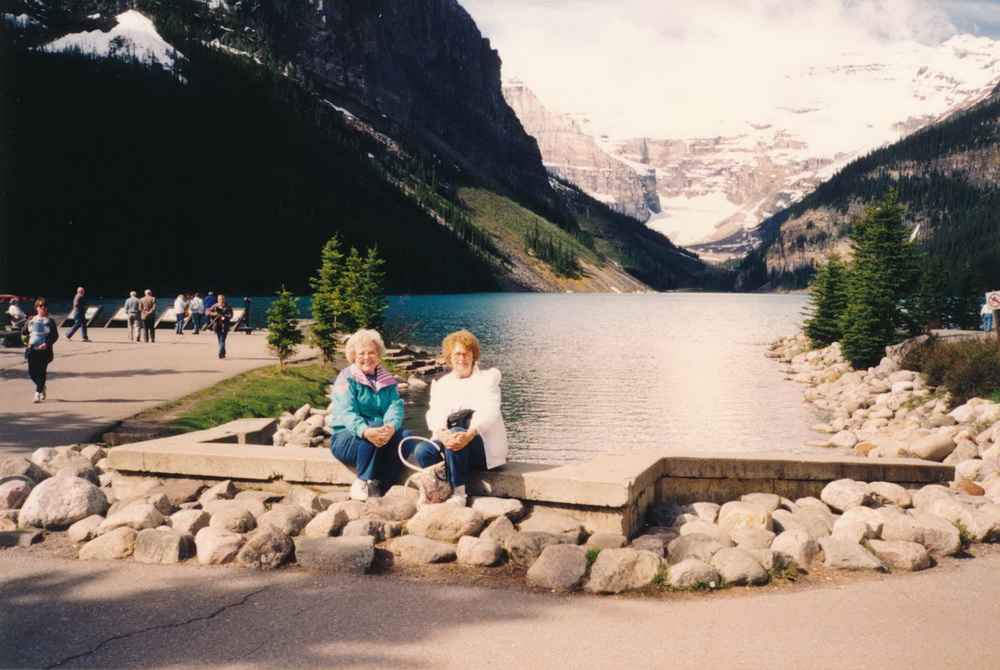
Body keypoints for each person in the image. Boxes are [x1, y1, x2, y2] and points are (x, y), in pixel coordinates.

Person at [409, 329, 507, 506]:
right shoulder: (443, 384)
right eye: (457, 354)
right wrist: (441, 432)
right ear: (449, 357)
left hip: (481, 447)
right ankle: (440, 489)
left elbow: (489, 411)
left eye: (466, 354)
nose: (461, 358)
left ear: (473, 356)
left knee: (457, 432)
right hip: (454, 444)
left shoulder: (487, 379)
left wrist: (469, 434)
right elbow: (435, 412)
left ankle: (459, 493)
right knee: (422, 450)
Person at [329, 329, 413, 501]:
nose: (366, 357)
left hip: (378, 437)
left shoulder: (387, 379)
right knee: (374, 426)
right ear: (353, 355)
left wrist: (390, 427)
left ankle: (379, 484)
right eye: (361, 353)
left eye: (371, 352)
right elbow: (347, 412)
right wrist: (366, 431)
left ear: (378, 354)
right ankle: (361, 481)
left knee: (406, 437)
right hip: (346, 439)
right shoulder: (346, 378)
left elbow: (395, 406)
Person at [22, 298, 59, 403]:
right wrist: (26, 339)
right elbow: (24, 332)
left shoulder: (50, 321)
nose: (43, 307)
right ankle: (42, 387)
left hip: (44, 351)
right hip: (32, 349)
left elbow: (55, 336)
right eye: (40, 306)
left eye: (45, 306)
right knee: (31, 372)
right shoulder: (31, 319)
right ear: (36, 308)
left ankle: (37, 394)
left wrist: (46, 344)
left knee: (41, 372)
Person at [206, 293, 233, 358]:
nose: (222, 300)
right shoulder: (214, 306)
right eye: (220, 299)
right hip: (217, 325)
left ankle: (220, 353)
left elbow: (231, 315)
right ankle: (223, 352)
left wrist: (224, 316)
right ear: (218, 299)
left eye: (223, 299)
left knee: (222, 340)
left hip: (225, 325)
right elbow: (207, 312)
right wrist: (213, 314)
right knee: (219, 340)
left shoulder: (227, 306)